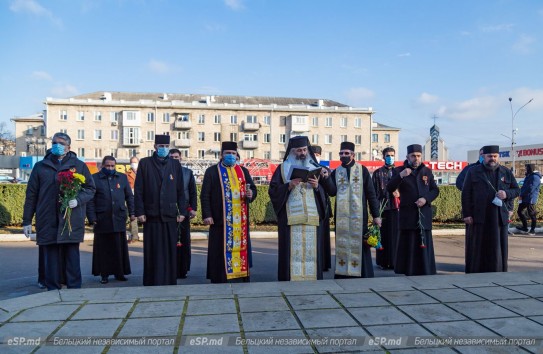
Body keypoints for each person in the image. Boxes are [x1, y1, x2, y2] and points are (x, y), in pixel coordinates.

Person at [22, 132, 96, 290]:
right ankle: (53, 288)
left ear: (69, 147)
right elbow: (31, 195)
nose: (57, 145)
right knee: (51, 257)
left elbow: (90, 188)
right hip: (47, 218)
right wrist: (27, 220)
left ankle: (74, 288)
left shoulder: (78, 165)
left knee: (72, 256)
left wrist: (78, 200)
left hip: (70, 218)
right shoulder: (41, 166)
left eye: (61, 143)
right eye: (55, 142)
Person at [268, 136, 334, 281]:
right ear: (292, 152)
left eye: (304, 150)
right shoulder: (282, 168)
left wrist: (317, 187)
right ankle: (289, 278)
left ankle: (312, 279)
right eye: (299, 150)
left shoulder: (315, 167)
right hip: (290, 219)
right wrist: (289, 185)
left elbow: (329, 191)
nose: (303, 153)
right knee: (291, 252)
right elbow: (273, 191)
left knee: (312, 252)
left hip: (312, 218)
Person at [200, 142, 257, 283]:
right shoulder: (212, 171)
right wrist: (207, 215)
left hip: (240, 221)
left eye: (233, 154)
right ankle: (220, 277)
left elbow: (253, 189)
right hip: (220, 220)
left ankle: (240, 274)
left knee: (241, 247)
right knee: (219, 250)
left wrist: (251, 193)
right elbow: (205, 195)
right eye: (227, 153)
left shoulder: (243, 171)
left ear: (237, 155)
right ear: (221, 155)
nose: (231, 156)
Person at [134, 135, 186, 286]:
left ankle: (169, 279)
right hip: (151, 215)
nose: (163, 148)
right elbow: (139, 190)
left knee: (169, 250)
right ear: (155, 146)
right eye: (160, 145)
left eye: (166, 146)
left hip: (170, 214)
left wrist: (182, 211)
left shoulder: (174, 165)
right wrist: (140, 211)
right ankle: (152, 280)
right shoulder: (145, 163)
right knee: (153, 250)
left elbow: (180, 190)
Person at [462, 145, 520, 273]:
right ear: (483, 157)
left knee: (498, 247)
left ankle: (498, 271)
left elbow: (516, 190)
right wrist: (466, 214)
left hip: (499, 217)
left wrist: (506, 194)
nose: (492, 159)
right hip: (479, 216)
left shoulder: (506, 172)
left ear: (498, 157)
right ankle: (476, 271)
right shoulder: (473, 171)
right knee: (478, 246)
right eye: (489, 156)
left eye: (495, 156)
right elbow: (466, 194)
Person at [327, 141, 381, 278]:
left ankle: (363, 273)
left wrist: (376, 215)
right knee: (343, 244)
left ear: (353, 154)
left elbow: (371, 193)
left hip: (359, 216)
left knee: (360, 245)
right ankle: (343, 273)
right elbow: (332, 192)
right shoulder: (337, 172)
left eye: (346, 153)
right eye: (341, 153)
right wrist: (326, 178)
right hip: (342, 218)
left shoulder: (361, 170)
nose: (343, 155)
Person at [387, 144, 439, 276]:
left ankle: (426, 269)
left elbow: (435, 190)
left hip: (423, 214)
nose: (416, 158)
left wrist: (426, 199)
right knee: (409, 243)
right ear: (407, 157)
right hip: (408, 214)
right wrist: (401, 176)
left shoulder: (426, 171)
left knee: (424, 242)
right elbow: (389, 187)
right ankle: (408, 269)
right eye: (413, 156)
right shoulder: (399, 170)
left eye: (418, 156)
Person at [87, 156, 134, 284]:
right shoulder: (95, 178)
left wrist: (132, 213)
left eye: (112, 166)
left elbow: (129, 197)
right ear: (102, 166)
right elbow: (90, 200)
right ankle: (104, 274)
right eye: (107, 166)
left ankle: (120, 272)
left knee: (119, 248)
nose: (110, 168)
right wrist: (92, 217)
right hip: (102, 218)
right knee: (104, 248)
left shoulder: (122, 177)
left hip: (118, 217)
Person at [169, 148, 198, 279]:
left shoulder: (187, 173)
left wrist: (193, 208)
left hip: (184, 212)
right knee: (170, 241)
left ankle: (183, 269)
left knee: (184, 241)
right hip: (169, 213)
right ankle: (170, 269)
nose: (174, 159)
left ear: (181, 158)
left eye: (176, 157)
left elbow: (192, 192)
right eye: (172, 157)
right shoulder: (164, 172)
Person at [372, 147, 400, 270]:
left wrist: (400, 194)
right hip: (383, 208)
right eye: (388, 155)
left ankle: (395, 261)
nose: (390, 157)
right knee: (383, 236)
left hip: (396, 208)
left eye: (392, 155)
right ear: (383, 157)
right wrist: (375, 212)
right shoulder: (377, 173)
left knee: (395, 236)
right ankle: (383, 262)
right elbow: (373, 193)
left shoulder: (399, 172)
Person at [310, 145, 333, 271]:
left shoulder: (325, 170)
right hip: (310, 207)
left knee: (323, 237)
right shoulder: (305, 168)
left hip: (322, 208)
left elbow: (332, 190)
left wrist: (326, 177)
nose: (316, 157)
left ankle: (323, 263)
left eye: (318, 155)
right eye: (314, 154)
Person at [516, 163, 541, 235]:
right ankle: (525, 227)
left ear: (530, 168)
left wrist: (522, 195)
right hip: (524, 198)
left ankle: (532, 230)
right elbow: (524, 187)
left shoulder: (535, 177)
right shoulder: (528, 176)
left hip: (530, 198)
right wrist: (521, 194)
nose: (525, 170)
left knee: (532, 214)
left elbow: (530, 188)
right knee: (519, 211)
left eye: (526, 168)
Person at [126, 156, 140, 242]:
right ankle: (134, 236)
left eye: (135, 162)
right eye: (132, 162)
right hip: (132, 197)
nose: (133, 164)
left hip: (143, 197)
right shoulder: (126, 174)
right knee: (133, 216)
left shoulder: (143, 172)